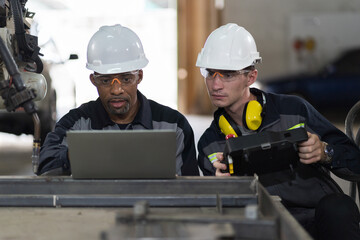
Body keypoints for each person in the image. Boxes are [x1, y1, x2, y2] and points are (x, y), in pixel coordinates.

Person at [196, 23, 360, 239]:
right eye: (210, 73)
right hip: (262, 227)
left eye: (227, 75)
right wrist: (221, 188)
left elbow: (355, 162)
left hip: (317, 218)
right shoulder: (209, 143)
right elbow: (219, 212)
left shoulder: (294, 110)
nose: (215, 85)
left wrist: (324, 152)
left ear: (251, 77)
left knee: (339, 208)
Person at [38, 24, 199, 177]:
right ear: (93, 80)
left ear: (139, 77)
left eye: (126, 79)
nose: (116, 90)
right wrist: (77, 154)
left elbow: (190, 189)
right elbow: (45, 168)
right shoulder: (76, 123)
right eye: (106, 81)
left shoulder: (174, 126)